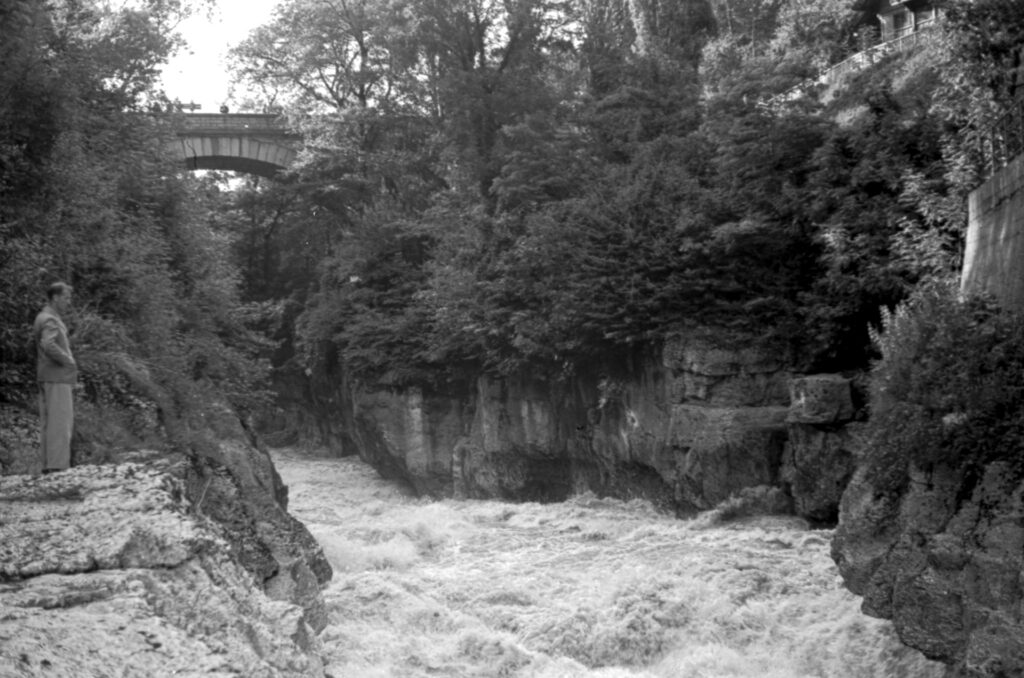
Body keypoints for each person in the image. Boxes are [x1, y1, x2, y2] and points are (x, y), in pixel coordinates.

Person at [33, 282, 77, 474]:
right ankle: (58, 467)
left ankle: (48, 465)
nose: (69, 302)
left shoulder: (42, 316)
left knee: (48, 423)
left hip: (46, 375)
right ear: (56, 298)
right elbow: (48, 345)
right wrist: (68, 360)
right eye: (66, 297)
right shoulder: (50, 319)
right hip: (57, 377)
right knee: (60, 422)